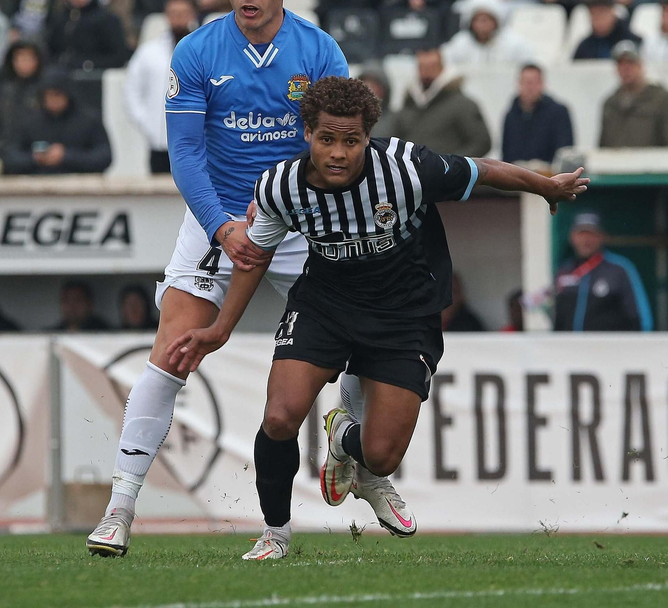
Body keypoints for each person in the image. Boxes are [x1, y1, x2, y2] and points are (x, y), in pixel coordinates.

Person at [164, 76, 587, 559]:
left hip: (404, 313)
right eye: (327, 139)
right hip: (324, 303)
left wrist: (545, 187)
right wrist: (220, 328)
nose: (339, 152)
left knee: (383, 454)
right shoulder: (280, 185)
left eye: (352, 140)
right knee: (280, 417)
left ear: (368, 136)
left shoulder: (407, 168)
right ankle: (276, 532)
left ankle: (347, 441)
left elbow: (484, 170)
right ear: (306, 134)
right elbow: (255, 255)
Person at [85, 0, 359, 559]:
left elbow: (342, 146)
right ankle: (119, 509)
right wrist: (220, 225)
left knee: (359, 342)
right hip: (219, 218)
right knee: (173, 351)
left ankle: (347, 446)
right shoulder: (196, 52)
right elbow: (183, 156)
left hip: (299, 219)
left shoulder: (320, 53)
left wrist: (308, 212)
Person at [125, 0, 197, 174]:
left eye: (183, 14)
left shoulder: (205, 50)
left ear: (192, 15)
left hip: (198, 144)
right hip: (159, 143)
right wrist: (146, 122)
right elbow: (131, 90)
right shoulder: (148, 52)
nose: (178, 19)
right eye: (173, 14)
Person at [377, 48, 492, 158]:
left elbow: (482, 142)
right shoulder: (409, 106)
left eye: (432, 67)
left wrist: (453, 165)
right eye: (422, 67)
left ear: (442, 68)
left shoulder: (463, 105)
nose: (427, 73)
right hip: (413, 175)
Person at [553, 212, 651, 331]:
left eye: (592, 234)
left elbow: (639, 317)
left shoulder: (620, 269)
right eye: (581, 234)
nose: (586, 240)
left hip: (608, 348)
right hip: (570, 348)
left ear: (602, 237)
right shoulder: (563, 271)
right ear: (572, 237)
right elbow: (557, 317)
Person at [1, 73, 113, 174]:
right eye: (47, 95)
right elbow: (10, 156)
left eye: (57, 94)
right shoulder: (29, 121)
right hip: (36, 185)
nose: (52, 100)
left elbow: (104, 156)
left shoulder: (89, 120)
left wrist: (67, 156)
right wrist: (35, 158)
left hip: (78, 185)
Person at [599, 41, 668, 147]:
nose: (626, 68)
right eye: (621, 64)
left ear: (641, 65)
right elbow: (603, 145)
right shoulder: (610, 104)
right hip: (616, 163)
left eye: (630, 63)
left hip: (654, 162)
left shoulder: (663, 99)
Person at [501, 64, 574, 165]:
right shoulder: (511, 115)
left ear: (542, 84)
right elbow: (506, 153)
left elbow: (564, 150)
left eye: (534, 83)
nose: (530, 87)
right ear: (519, 84)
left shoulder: (559, 113)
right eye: (526, 82)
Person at [442, 0, 535, 64]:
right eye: (477, 20)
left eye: (486, 19)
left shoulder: (515, 44)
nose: (482, 25)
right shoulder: (460, 44)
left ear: (497, 21)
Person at [572, 0, 640, 60]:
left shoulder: (632, 41)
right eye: (594, 16)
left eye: (601, 15)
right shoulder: (585, 46)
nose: (598, 20)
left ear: (612, 13)